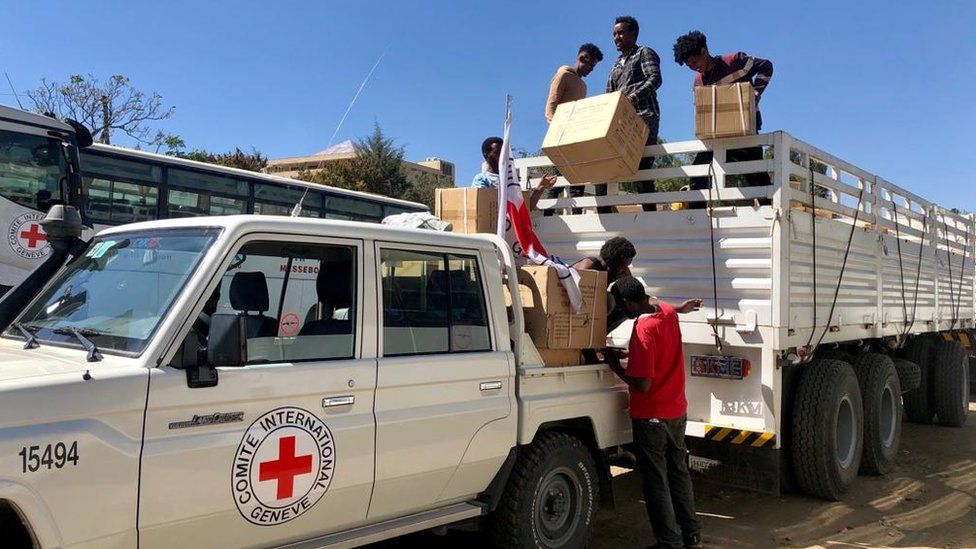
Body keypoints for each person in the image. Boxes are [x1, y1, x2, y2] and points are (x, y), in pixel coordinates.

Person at [604, 276, 703, 549]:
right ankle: (691, 534)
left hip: (652, 416)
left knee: (656, 480)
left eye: (622, 308)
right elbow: (662, 304)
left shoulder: (644, 329)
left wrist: (616, 366)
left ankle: (668, 542)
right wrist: (682, 308)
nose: (622, 313)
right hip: (676, 411)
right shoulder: (668, 313)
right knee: (679, 472)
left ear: (628, 303)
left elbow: (644, 383)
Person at [673, 30, 774, 206]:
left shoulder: (734, 61)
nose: (694, 67)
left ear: (704, 51)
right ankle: (697, 217)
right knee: (699, 173)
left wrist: (756, 92)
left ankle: (771, 211)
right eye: (689, 65)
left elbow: (766, 66)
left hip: (745, 131)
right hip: (715, 136)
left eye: (695, 62)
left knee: (756, 176)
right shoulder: (698, 81)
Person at [607, 15, 661, 213]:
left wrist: (632, 98)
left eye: (621, 32)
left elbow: (655, 79)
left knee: (642, 166)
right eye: (614, 34)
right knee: (613, 164)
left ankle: (650, 214)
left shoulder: (643, 53)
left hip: (644, 115)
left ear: (633, 34)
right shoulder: (614, 65)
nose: (616, 37)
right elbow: (609, 95)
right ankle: (607, 210)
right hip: (622, 121)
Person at [544, 43, 604, 216]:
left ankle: (578, 217)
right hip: (560, 138)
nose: (591, 70)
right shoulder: (563, 75)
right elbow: (551, 106)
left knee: (578, 180)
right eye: (590, 65)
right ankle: (548, 218)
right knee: (556, 182)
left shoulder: (583, 86)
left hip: (576, 139)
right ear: (582, 58)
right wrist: (557, 132)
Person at [575, 236, 636, 364]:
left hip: (589, 312)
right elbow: (576, 299)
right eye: (623, 265)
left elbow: (635, 296)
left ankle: (597, 341)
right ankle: (588, 347)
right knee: (607, 301)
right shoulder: (589, 267)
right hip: (573, 310)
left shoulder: (621, 271)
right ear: (610, 262)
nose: (626, 269)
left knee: (628, 304)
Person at [472, 136, 554, 210]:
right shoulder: (482, 178)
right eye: (498, 153)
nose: (503, 156)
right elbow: (480, 206)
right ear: (486, 156)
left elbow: (526, 208)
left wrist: (540, 188)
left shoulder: (511, 179)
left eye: (505, 153)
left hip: (511, 226)